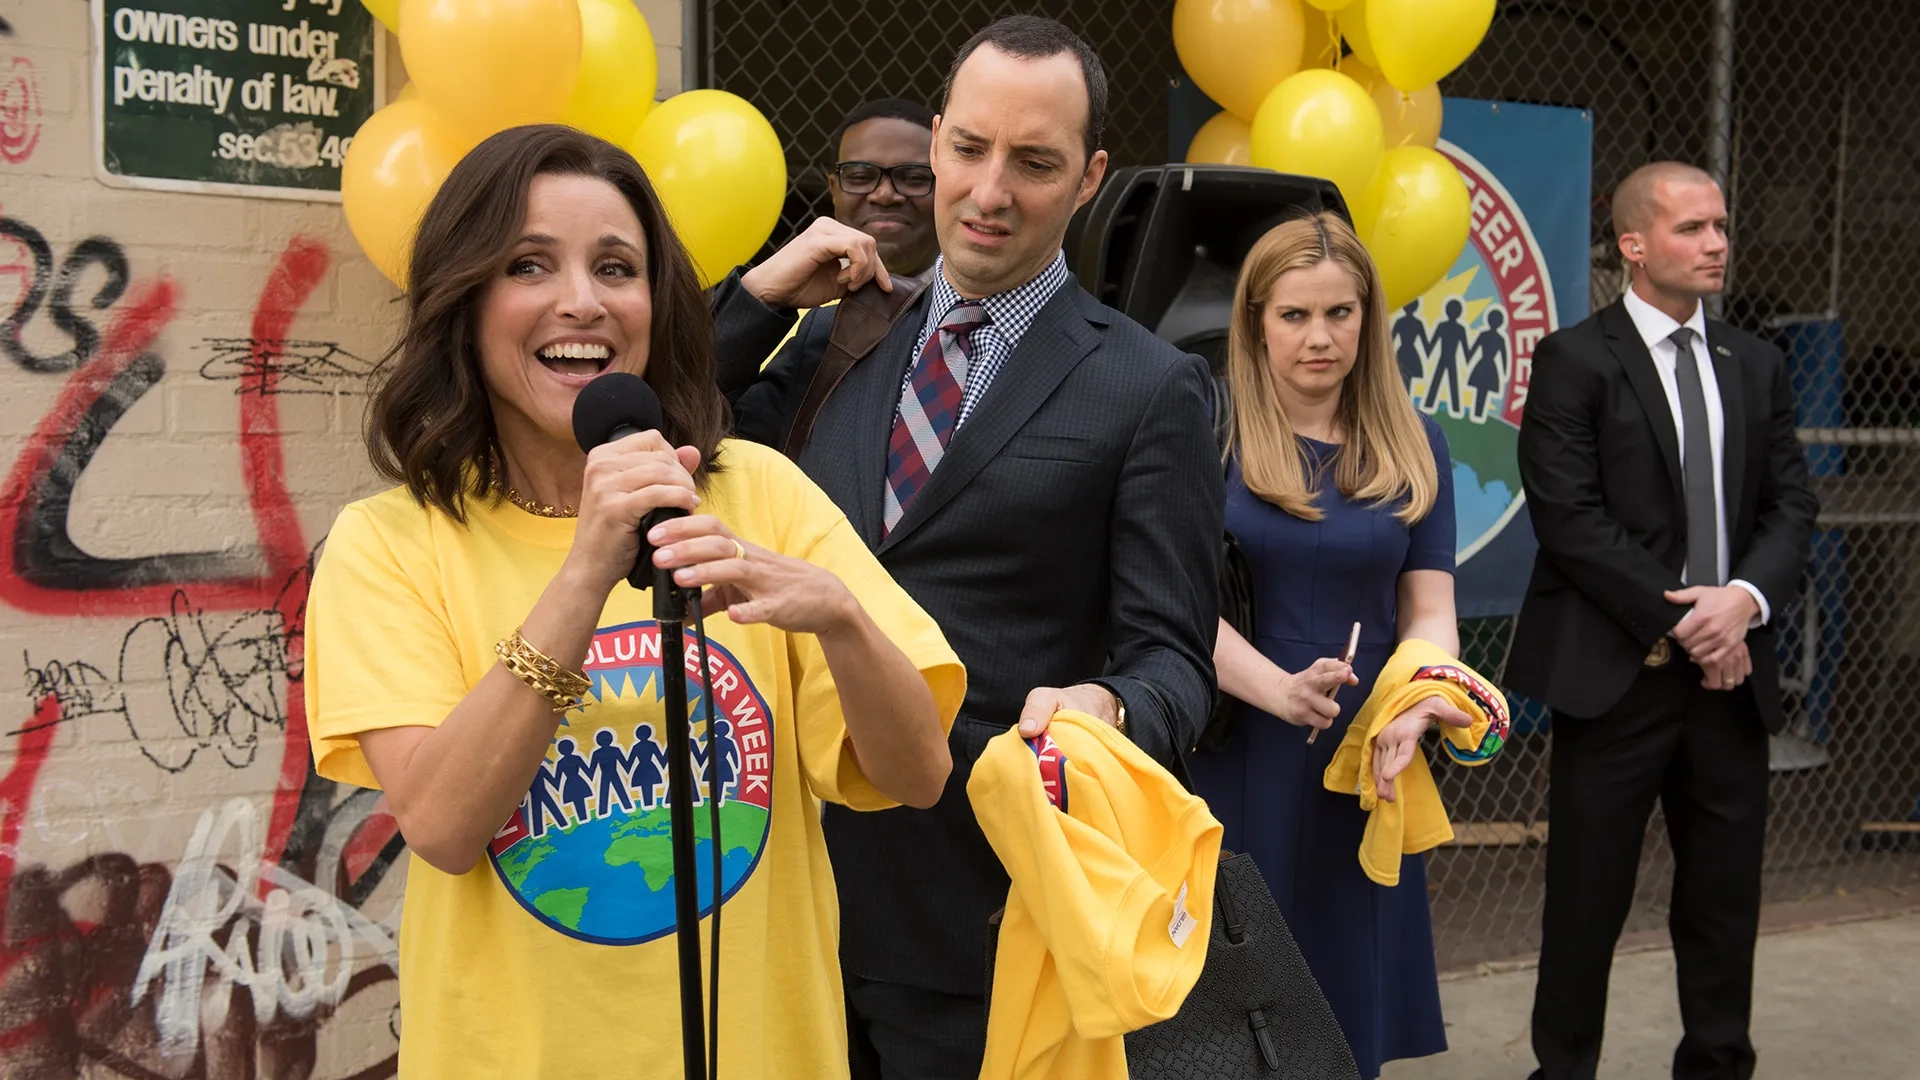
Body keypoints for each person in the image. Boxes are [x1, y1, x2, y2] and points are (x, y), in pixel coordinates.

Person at [302, 124, 965, 1079]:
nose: (582, 302)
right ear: (467, 300)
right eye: (529, 265)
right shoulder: (391, 544)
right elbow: (443, 827)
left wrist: (843, 619)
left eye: (617, 267)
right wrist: (584, 571)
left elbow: (917, 773)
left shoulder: (758, 493)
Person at [708, 16, 1222, 1077]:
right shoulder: (838, 338)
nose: (990, 191)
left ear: (1088, 178)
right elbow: (670, 432)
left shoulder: (1146, 386)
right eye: (970, 149)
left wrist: (1112, 707)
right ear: (936, 143)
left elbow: (1178, 657)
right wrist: (760, 296)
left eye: (1034, 163)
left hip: (978, 916)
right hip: (783, 889)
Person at [1510, 161, 1816, 1080]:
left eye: (1721, 226)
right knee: (1586, 904)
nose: (1717, 244)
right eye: (1692, 229)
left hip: (1731, 686)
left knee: (1724, 903)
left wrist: (1744, 604)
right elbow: (1569, 519)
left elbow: (1791, 508)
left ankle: (1719, 1064)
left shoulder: (1755, 363)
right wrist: (1693, 622)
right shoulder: (1575, 359)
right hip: (1619, 677)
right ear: (1634, 245)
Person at [1186, 212, 1469, 1079]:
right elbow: (1169, 602)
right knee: (1222, 1018)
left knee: (1344, 1024)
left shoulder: (1416, 442)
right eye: (1295, 315)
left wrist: (1421, 704)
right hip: (1234, 748)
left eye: (1340, 314)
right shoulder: (1209, 428)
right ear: (1256, 320)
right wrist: (1273, 687)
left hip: (1362, 762)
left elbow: (1430, 610)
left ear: (1368, 317)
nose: (1321, 337)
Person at [829, 97, 940, 286]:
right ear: (833, 189)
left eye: (913, 178)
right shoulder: (792, 303)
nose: (885, 195)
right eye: (860, 177)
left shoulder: (987, 307)